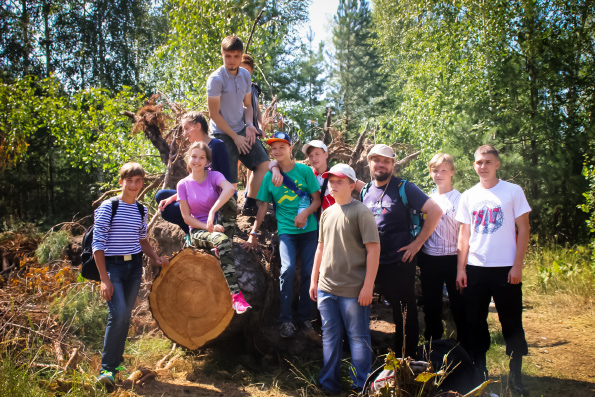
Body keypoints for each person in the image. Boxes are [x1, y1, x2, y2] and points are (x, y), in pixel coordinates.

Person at [456, 145, 530, 395]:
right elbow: (464, 235)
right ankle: (480, 372)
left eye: (488, 162)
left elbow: (524, 229)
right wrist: (461, 269)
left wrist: (517, 265)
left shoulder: (512, 191)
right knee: (475, 322)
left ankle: (515, 375)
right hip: (476, 269)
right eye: (479, 162)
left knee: (511, 321)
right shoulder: (468, 195)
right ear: (474, 165)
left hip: (506, 269)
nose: (483, 166)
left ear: (497, 164)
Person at [361, 144, 442, 359]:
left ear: (393, 164)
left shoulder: (405, 188)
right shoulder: (366, 191)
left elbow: (435, 211)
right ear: (369, 162)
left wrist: (417, 245)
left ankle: (406, 359)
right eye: (376, 160)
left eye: (386, 161)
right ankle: (367, 356)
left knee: (403, 313)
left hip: (398, 261)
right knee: (362, 306)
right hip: (372, 261)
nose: (381, 164)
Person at [92, 162, 169, 387]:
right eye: (129, 181)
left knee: (125, 317)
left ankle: (115, 367)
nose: (133, 185)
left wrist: (155, 257)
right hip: (112, 268)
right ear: (121, 182)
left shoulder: (141, 210)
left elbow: (142, 239)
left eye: (138, 181)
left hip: (133, 269)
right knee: (117, 315)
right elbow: (98, 245)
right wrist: (104, 279)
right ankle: (106, 370)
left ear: (142, 183)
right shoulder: (109, 207)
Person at [309, 164, 380, 395]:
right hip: (326, 289)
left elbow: (374, 250)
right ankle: (329, 384)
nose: (333, 184)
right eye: (331, 180)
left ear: (352, 185)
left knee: (358, 339)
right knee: (329, 336)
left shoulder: (362, 212)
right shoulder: (327, 212)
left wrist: (368, 286)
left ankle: (361, 386)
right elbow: (320, 248)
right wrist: (314, 281)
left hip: (353, 290)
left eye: (339, 181)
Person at [245, 132, 321, 338]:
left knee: (308, 272)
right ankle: (286, 320)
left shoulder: (305, 171)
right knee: (287, 270)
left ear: (290, 149)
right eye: (274, 148)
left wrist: (305, 213)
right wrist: (253, 232)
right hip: (287, 231)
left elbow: (316, 200)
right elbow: (262, 207)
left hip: (309, 230)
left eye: (282, 147)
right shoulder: (270, 176)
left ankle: (305, 318)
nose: (277, 151)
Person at [177, 141, 251, 314]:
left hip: (218, 223)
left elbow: (229, 190)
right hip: (198, 230)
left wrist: (212, 212)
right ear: (189, 159)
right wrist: (207, 226)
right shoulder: (183, 184)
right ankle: (236, 297)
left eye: (202, 157)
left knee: (230, 201)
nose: (197, 160)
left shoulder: (214, 176)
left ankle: (225, 241)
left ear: (207, 161)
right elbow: (187, 217)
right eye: (194, 156)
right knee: (222, 242)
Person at [207, 36, 269, 216]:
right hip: (221, 132)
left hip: (242, 127)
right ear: (222, 55)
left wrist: (249, 124)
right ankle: (227, 217)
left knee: (263, 164)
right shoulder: (216, 79)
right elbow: (214, 114)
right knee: (230, 179)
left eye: (235, 56)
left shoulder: (245, 75)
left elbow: (248, 105)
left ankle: (250, 203)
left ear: (241, 56)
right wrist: (235, 138)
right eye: (227, 56)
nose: (232, 60)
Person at [155, 112, 236, 239]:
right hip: (200, 198)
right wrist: (172, 198)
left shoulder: (217, 145)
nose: (185, 133)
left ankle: (207, 227)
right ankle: (191, 231)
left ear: (197, 126)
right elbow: (193, 188)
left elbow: (227, 180)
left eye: (187, 128)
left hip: (215, 197)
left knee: (169, 203)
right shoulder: (194, 151)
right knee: (162, 197)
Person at [418, 153, 465, 344]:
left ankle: (462, 347)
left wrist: (463, 265)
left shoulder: (461, 199)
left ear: (452, 172)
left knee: (459, 305)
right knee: (431, 306)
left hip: (454, 258)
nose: (439, 174)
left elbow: (465, 233)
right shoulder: (426, 199)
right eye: (435, 170)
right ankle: (433, 348)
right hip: (430, 259)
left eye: (443, 170)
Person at [269, 140, 365, 217]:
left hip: (338, 219)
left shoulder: (337, 174)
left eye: (317, 154)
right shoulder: (307, 174)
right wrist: (275, 169)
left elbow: (365, 189)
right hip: (315, 224)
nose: (314, 158)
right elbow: (273, 163)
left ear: (326, 155)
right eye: (310, 156)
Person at [239, 53, 264, 205]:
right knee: (236, 159)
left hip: (253, 127)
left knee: (254, 161)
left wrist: (261, 126)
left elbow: (257, 109)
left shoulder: (254, 88)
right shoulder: (234, 85)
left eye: (247, 69)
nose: (244, 72)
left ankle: (250, 189)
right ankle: (232, 191)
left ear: (251, 71)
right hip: (238, 126)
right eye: (242, 68)